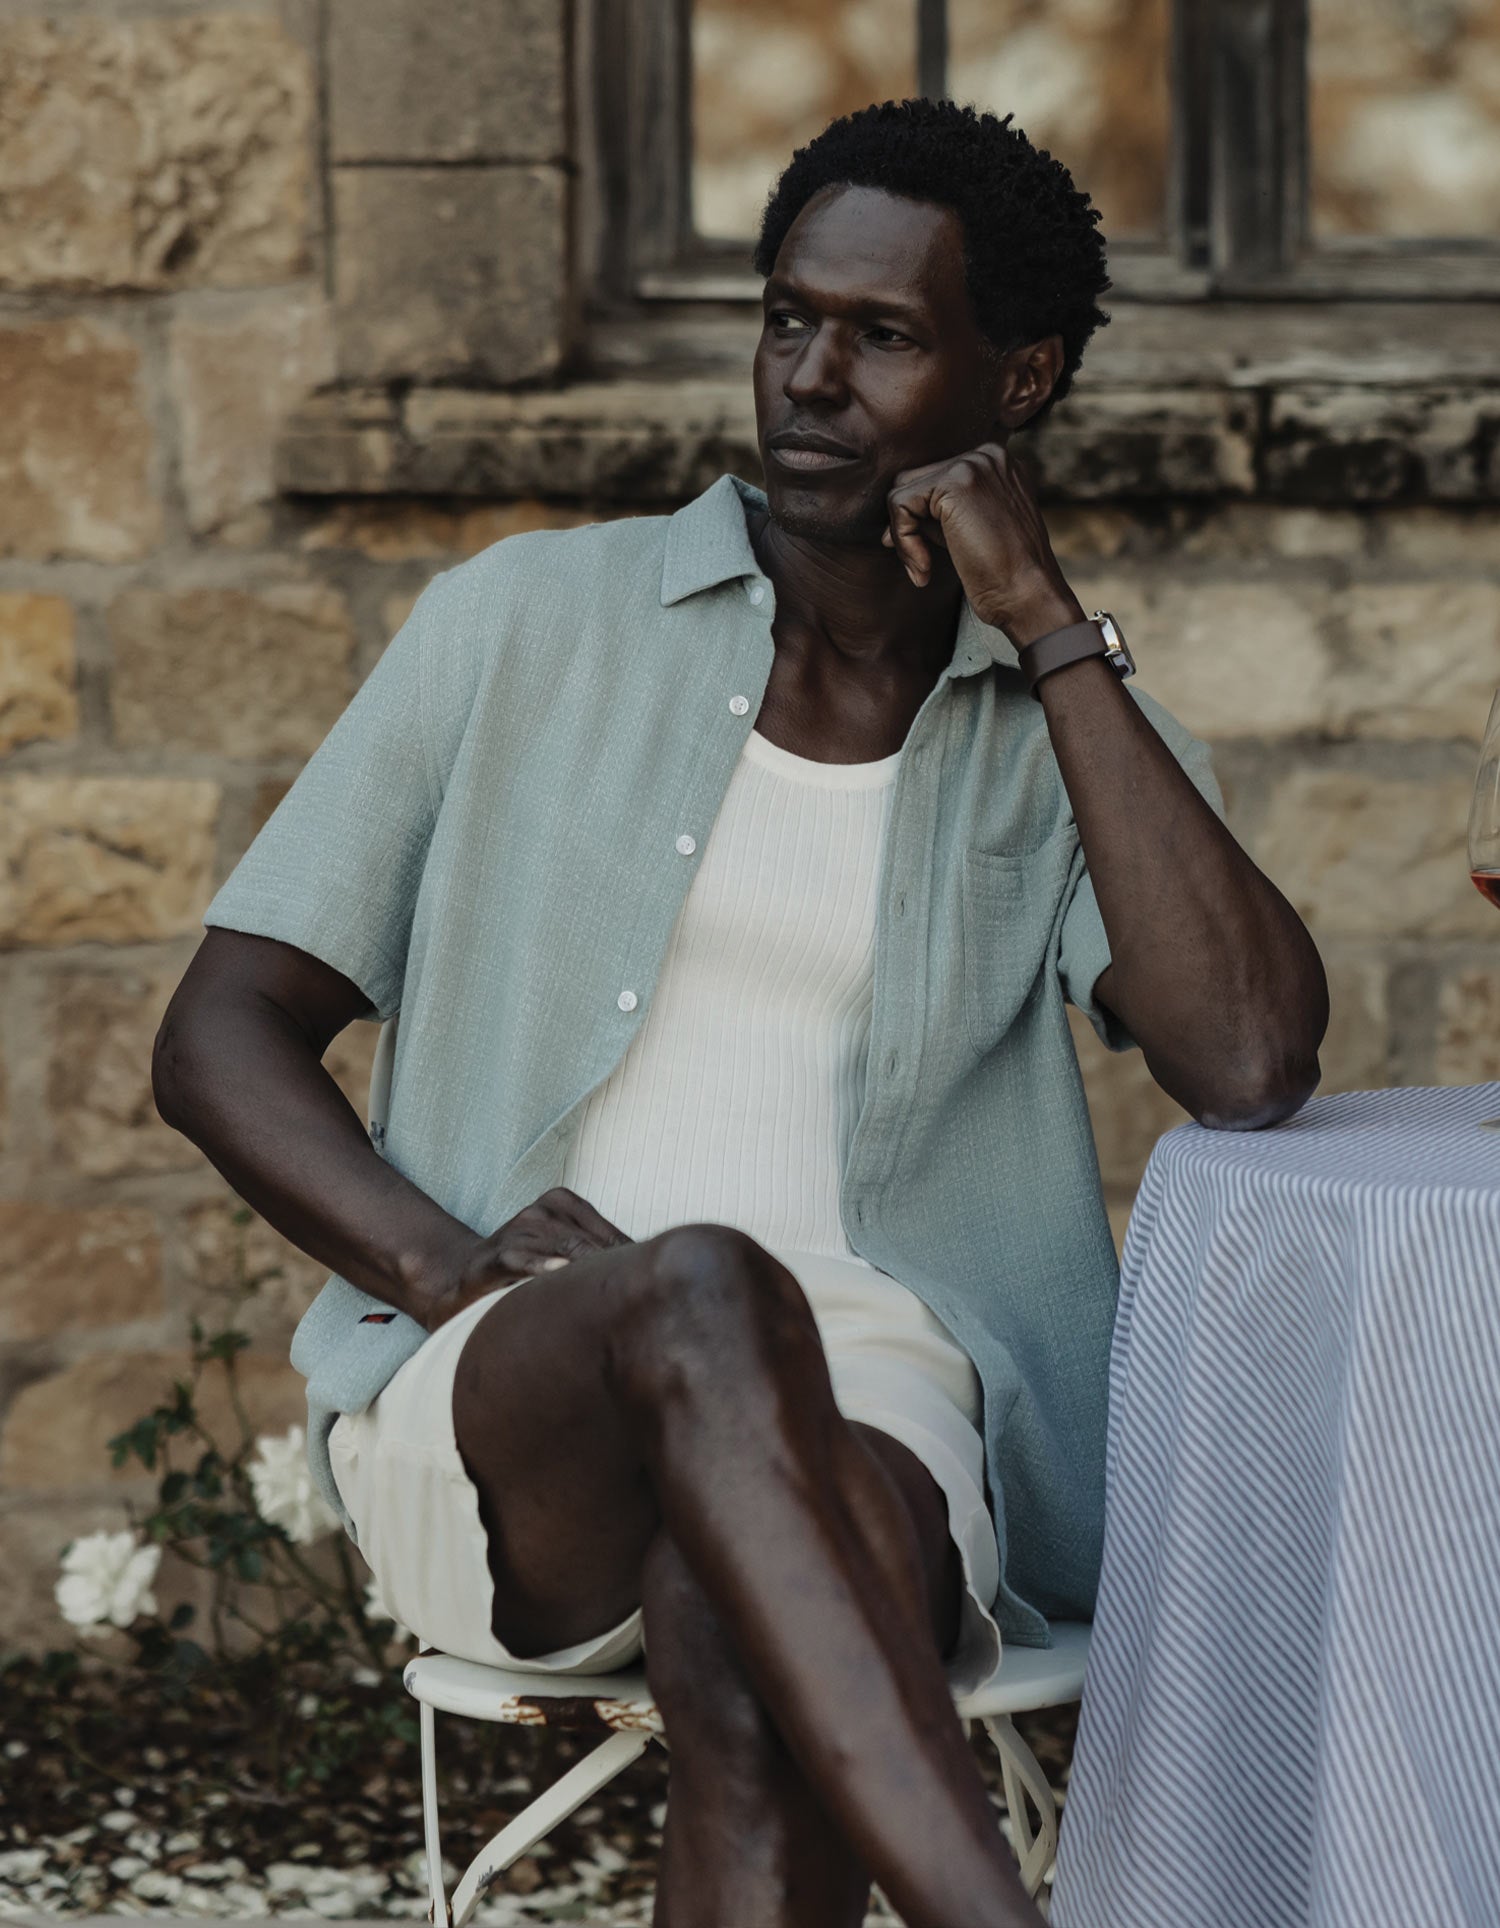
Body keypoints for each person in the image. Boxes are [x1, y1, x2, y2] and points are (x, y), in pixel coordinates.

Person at [153, 97, 1328, 1928]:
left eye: (883, 336)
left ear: (1018, 380)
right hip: (521, 1385)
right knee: (703, 1287)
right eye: (789, 319)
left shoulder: (1073, 739)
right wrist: (447, 1265)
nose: (810, 381)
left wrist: (1046, 622)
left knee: (745, 1635)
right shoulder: (523, 623)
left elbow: (1248, 1058)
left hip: (885, 1396)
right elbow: (219, 1031)